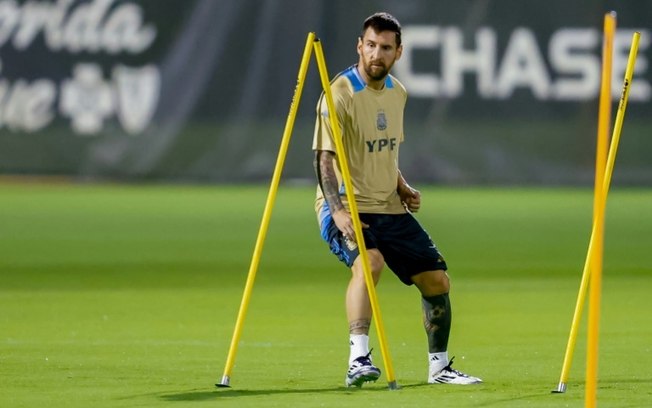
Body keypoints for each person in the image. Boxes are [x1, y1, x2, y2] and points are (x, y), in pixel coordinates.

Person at [312, 12, 482, 387]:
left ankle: (439, 369)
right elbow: (325, 158)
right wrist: (338, 211)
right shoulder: (338, 93)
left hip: (388, 203)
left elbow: (383, 153)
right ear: (360, 45)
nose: (377, 54)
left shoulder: (397, 93)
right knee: (370, 264)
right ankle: (358, 359)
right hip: (347, 204)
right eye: (370, 45)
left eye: (385, 48)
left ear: (398, 52)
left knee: (437, 280)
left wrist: (401, 184)